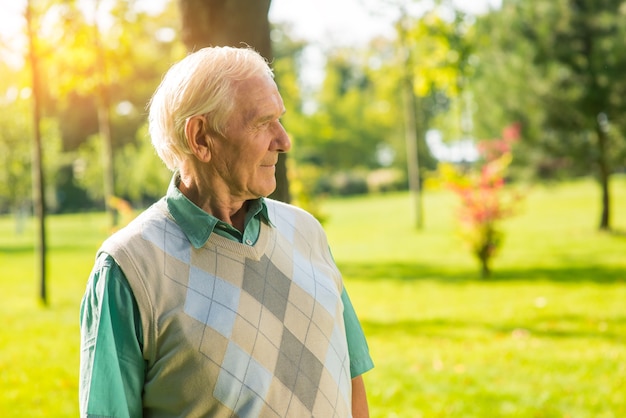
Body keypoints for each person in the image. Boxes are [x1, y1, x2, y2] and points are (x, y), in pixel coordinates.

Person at [79, 46, 374, 418]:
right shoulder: (129, 268)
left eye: (280, 120)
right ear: (201, 137)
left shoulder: (307, 232)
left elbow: (350, 380)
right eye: (262, 122)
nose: (284, 141)